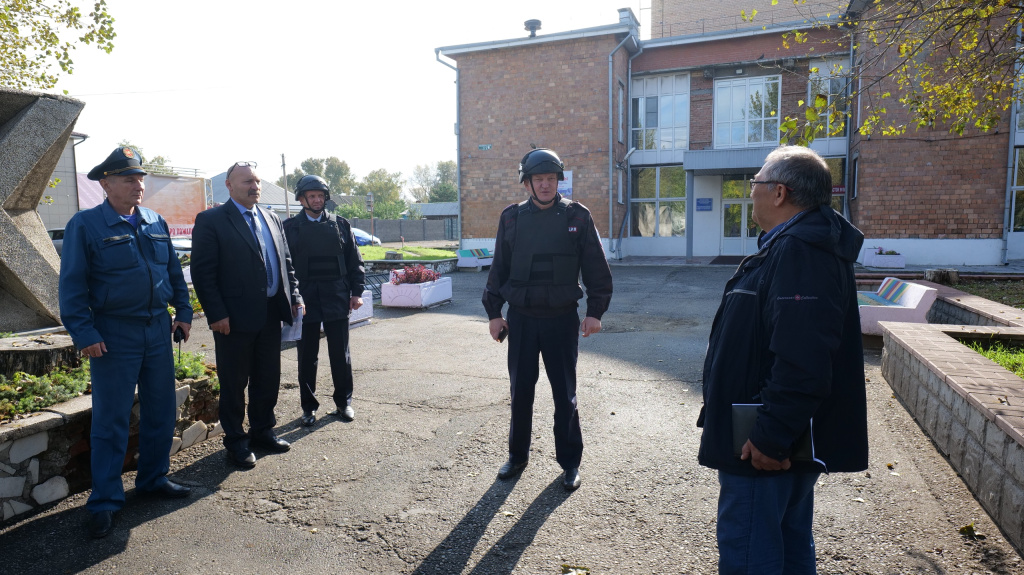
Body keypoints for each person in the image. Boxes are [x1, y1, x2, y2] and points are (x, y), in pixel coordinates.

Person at [697, 145, 869, 573]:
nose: (750, 191)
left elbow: (803, 357)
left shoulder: (800, 252)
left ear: (779, 193)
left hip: (764, 446)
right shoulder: (791, 245)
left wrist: (771, 437)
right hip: (773, 436)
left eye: (755, 182)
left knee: (751, 553)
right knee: (787, 546)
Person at [58, 146, 193, 539]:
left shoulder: (154, 220)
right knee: (111, 420)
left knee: (161, 410)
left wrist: (184, 311)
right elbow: (72, 285)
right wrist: (84, 333)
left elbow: (173, 272)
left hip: (157, 330)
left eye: (140, 178)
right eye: (129, 178)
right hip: (114, 334)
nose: (138, 185)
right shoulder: (86, 224)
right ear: (106, 184)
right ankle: (105, 500)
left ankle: (152, 479)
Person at [482, 148, 613, 492]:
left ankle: (570, 463)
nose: (545, 184)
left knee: (565, 394)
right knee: (520, 391)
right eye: (538, 179)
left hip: (561, 320)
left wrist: (595, 311)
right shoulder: (511, 218)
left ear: (558, 181)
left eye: (551, 178)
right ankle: (517, 456)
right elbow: (499, 268)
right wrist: (494, 313)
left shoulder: (578, 216)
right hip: (522, 320)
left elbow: (596, 267)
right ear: (526, 183)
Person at [190, 161, 303, 469]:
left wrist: (294, 296)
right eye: (247, 182)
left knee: (268, 378)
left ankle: (263, 431)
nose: (255, 187)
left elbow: (286, 262)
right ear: (229, 185)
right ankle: (236, 442)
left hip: (270, 313)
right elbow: (203, 273)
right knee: (234, 383)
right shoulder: (211, 220)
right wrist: (216, 313)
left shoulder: (271, 217)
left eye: (257, 181)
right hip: (233, 319)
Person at [283, 175, 365, 427]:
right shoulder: (288, 228)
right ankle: (308, 407)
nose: (317, 200)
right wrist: (291, 298)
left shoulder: (341, 224)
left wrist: (357, 292)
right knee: (307, 357)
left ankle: (344, 403)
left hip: (336, 296)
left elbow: (355, 261)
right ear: (301, 199)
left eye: (321, 196)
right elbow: (284, 266)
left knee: (341, 354)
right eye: (312, 196)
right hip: (304, 299)